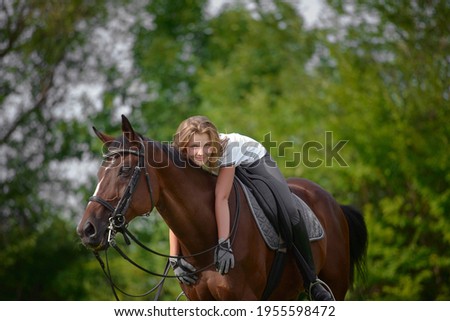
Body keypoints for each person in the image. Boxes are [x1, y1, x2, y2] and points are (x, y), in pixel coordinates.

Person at [168, 115, 333, 300]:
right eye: (194, 147)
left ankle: (312, 282)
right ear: (183, 147)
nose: (201, 153)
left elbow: (221, 198)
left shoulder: (227, 148)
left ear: (213, 143)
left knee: (290, 212)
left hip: (255, 162)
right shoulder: (180, 158)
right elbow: (179, 209)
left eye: (207, 146)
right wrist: (174, 257)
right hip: (222, 167)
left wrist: (224, 244)